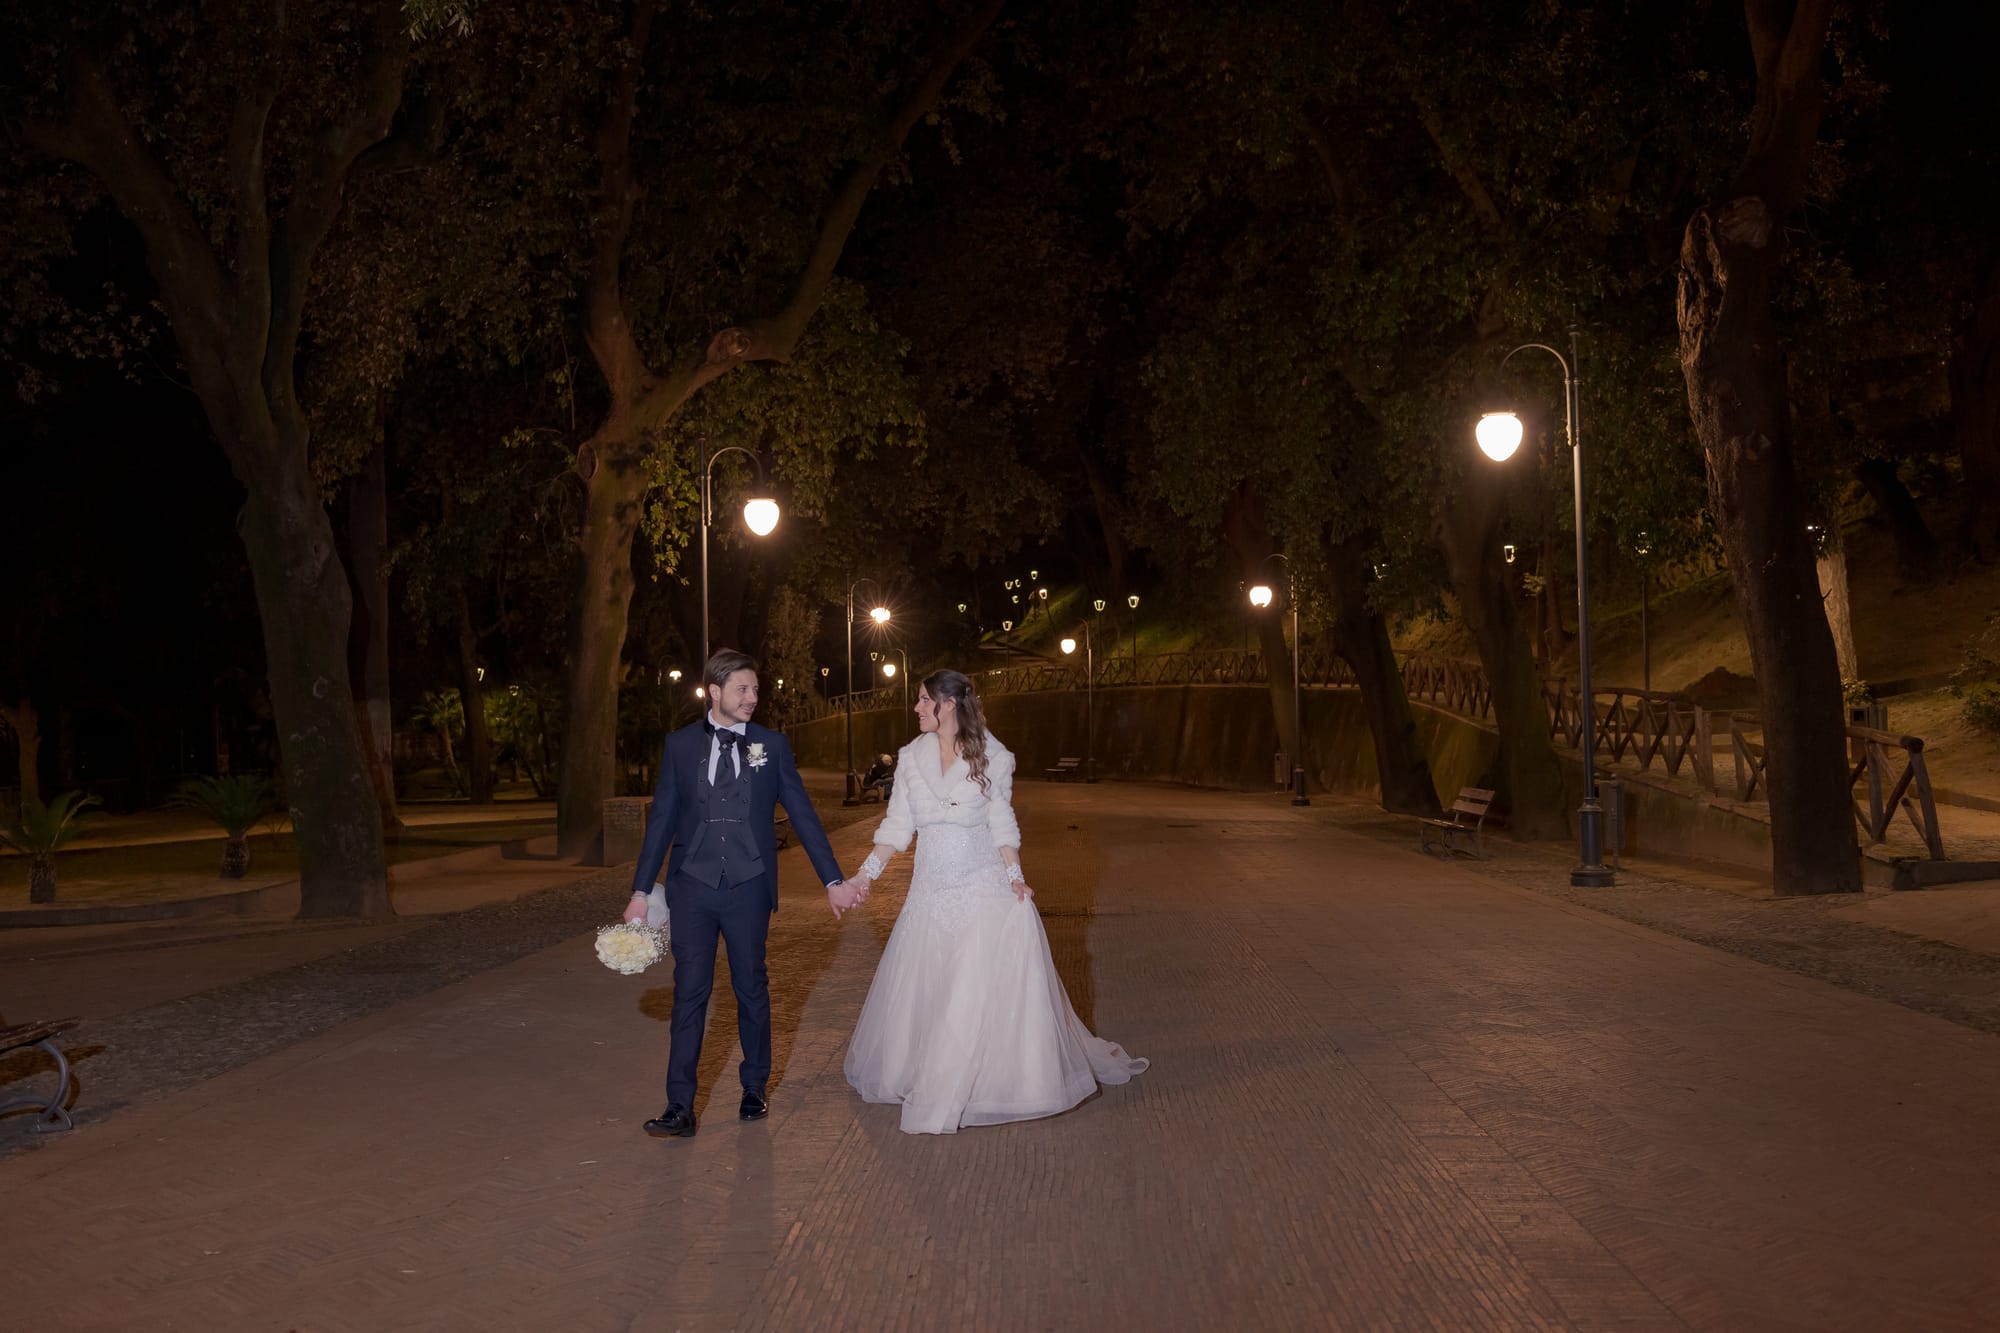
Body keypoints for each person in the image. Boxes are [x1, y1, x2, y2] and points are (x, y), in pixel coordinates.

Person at [839, 668, 1147, 1134]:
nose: (917, 708)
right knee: (932, 987)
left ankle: (971, 1082)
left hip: (980, 885)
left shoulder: (994, 757)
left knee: (969, 990)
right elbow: (897, 828)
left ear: (949, 705)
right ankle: (931, 1071)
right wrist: (865, 875)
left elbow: (1002, 821)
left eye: (924, 700)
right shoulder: (909, 758)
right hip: (929, 892)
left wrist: (1015, 878)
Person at [622, 648, 859, 1139]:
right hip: (693, 889)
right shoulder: (680, 746)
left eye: (755, 689)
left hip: (749, 888)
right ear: (714, 692)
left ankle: (754, 1086)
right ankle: (679, 1107)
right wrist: (641, 892)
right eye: (742, 690)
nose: (753, 698)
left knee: (751, 988)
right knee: (689, 994)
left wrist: (833, 880)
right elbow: (662, 821)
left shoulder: (770, 745)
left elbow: (803, 814)